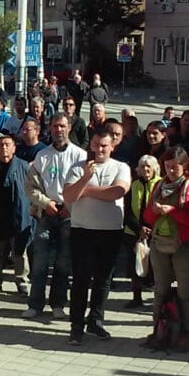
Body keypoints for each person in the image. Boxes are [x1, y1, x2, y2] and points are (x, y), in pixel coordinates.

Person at [63, 127, 131, 344]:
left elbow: (116, 192)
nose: (100, 149)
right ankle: (76, 325)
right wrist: (85, 179)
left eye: (104, 145)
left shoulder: (121, 167)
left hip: (110, 231)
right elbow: (69, 196)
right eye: (96, 145)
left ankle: (96, 320)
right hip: (82, 230)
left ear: (113, 146)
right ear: (90, 145)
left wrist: (87, 191)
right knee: (81, 279)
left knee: (103, 279)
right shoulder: (77, 168)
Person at [143, 147, 189, 352]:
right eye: (167, 167)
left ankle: (188, 334)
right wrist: (155, 212)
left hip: (184, 245)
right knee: (160, 289)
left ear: (185, 166)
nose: (170, 171)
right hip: (159, 243)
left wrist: (172, 212)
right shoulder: (160, 185)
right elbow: (148, 216)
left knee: (185, 291)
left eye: (175, 167)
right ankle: (159, 330)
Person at [24, 114, 87, 319]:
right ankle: (35, 304)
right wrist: (45, 203)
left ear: (69, 128)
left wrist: (70, 206)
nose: (58, 130)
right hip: (46, 211)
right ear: (49, 129)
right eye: (54, 126)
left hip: (69, 213)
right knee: (40, 261)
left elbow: (85, 186)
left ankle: (58, 303)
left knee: (63, 261)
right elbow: (30, 188)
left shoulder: (80, 156)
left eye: (62, 126)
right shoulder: (42, 156)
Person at [0, 135, 34, 295]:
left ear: (14, 148)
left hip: (19, 216)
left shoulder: (24, 167)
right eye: (0, 145)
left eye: (7, 145)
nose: (4, 148)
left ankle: (22, 281)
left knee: (20, 252)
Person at [121, 155, 161, 308]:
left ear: (154, 168)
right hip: (134, 231)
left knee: (157, 268)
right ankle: (136, 297)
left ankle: (158, 299)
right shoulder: (133, 185)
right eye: (142, 166)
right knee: (134, 266)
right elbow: (127, 210)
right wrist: (139, 229)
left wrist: (150, 229)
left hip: (156, 232)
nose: (145, 170)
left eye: (148, 167)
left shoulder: (161, 184)